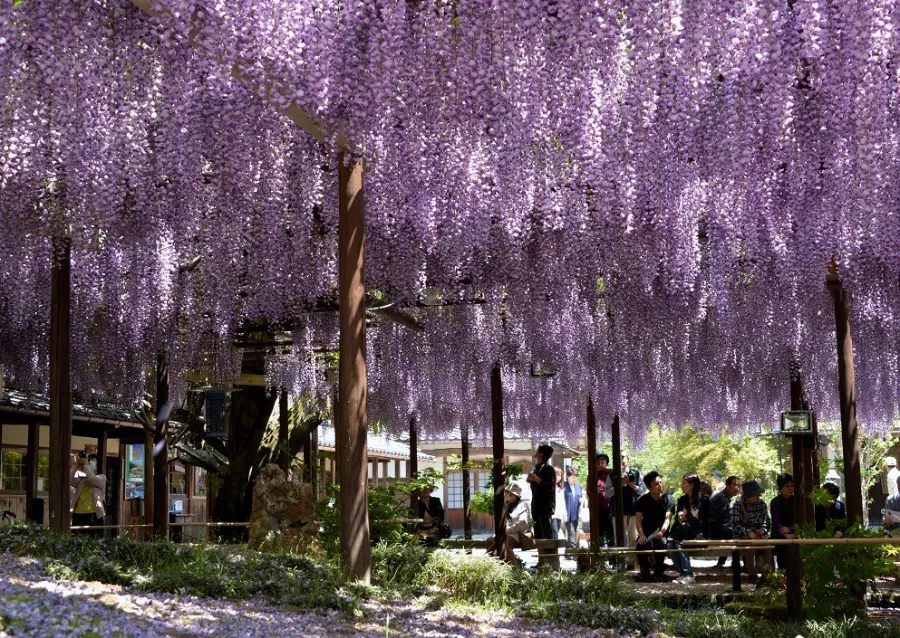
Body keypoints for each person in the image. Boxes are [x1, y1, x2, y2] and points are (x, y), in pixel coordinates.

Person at [667, 473, 709, 584]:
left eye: (684, 483)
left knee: (680, 543)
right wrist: (681, 518)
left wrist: (688, 518)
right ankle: (682, 573)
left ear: (692, 485)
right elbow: (677, 521)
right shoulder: (681, 500)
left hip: (699, 535)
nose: (681, 486)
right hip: (684, 533)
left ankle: (689, 575)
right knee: (670, 545)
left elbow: (703, 522)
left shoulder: (704, 500)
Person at [634, 471, 674, 582]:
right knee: (640, 545)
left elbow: (667, 519)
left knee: (660, 544)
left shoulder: (669, 499)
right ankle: (644, 571)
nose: (660, 485)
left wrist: (661, 532)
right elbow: (638, 520)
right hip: (646, 532)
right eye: (656, 484)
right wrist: (641, 535)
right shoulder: (642, 500)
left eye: (661, 482)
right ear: (649, 487)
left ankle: (659, 572)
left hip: (662, 532)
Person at [732, 479, 773, 583]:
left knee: (768, 548)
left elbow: (766, 521)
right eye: (756, 495)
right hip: (744, 536)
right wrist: (748, 532)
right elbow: (736, 525)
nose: (758, 496)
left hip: (759, 536)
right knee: (750, 548)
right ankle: (752, 576)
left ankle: (769, 577)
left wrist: (763, 530)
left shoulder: (761, 504)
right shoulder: (737, 505)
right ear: (748, 495)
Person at [486, 484, 534, 565]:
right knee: (490, 540)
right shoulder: (508, 506)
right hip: (507, 532)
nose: (508, 496)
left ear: (515, 496)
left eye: (510, 494)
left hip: (519, 533)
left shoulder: (523, 505)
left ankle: (515, 567)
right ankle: (492, 564)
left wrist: (508, 530)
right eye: (507, 494)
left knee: (505, 542)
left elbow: (523, 523)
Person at [70, 452, 106, 537]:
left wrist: (85, 466)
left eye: (92, 462)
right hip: (78, 514)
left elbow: (92, 479)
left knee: (93, 539)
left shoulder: (102, 477)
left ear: (98, 465)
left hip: (93, 514)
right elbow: (71, 481)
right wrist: (76, 466)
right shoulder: (82, 479)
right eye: (88, 462)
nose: (90, 464)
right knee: (77, 539)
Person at [527, 444, 557, 540]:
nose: (534, 451)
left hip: (544, 505)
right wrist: (531, 480)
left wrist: (536, 479)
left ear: (541, 453)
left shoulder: (548, 468)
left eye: (537, 450)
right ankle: (541, 554)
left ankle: (549, 554)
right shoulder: (537, 467)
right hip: (536, 504)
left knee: (546, 533)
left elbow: (550, 486)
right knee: (538, 534)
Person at [708, 475, 740, 567]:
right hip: (713, 529)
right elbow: (729, 517)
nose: (737, 487)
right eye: (734, 485)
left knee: (736, 531)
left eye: (738, 485)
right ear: (727, 485)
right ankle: (736, 562)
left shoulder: (725, 497)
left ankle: (723, 562)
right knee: (738, 533)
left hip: (719, 526)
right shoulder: (721, 498)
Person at [770, 473, 796, 569]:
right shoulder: (775, 502)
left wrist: (790, 529)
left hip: (794, 531)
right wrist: (784, 531)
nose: (790, 489)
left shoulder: (797, 501)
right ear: (781, 487)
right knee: (782, 560)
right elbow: (776, 520)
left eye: (792, 486)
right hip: (779, 533)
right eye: (787, 486)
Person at [594, 453, 615, 548]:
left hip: (609, 507)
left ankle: (613, 560)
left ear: (606, 462)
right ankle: (600, 560)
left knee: (610, 533)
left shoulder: (611, 472)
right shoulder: (592, 473)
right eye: (599, 459)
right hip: (597, 508)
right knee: (599, 534)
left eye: (604, 459)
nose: (601, 461)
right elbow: (589, 490)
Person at [564, 467, 583, 550]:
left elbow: (581, 496)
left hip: (575, 513)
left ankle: (568, 551)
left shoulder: (578, 486)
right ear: (568, 477)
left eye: (575, 477)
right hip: (566, 513)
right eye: (572, 477)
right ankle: (572, 551)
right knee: (571, 532)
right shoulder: (563, 486)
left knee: (574, 532)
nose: (574, 479)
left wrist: (582, 499)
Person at [552, 467, 566, 540]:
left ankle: (554, 549)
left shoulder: (560, 488)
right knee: (555, 533)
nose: (558, 477)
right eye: (557, 474)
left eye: (560, 475)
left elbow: (562, 502)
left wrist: (564, 514)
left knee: (556, 532)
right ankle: (554, 549)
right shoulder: (550, 487)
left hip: (559, 514)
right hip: (552, 514)